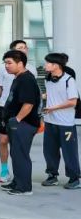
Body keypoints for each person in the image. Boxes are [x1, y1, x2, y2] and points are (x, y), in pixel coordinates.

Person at [0, 49, 41, 196]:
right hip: (17, 123)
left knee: (21, 155)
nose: (6, 66)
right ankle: (17, 182)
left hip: (24, 124)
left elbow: (28, 104)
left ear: (21, 63)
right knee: (16, 154)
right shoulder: (19, 77)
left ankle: (24, 187)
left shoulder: (26, 80)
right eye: (5, 63)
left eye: (9, 63)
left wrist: (17, 119)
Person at [0, 39, 32, 183]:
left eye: (25, 47)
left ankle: (20, 177)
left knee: (18, 143)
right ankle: (4, 170)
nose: (24, 49)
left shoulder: (30, 70)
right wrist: (3, 103)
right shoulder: (4, 67)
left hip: (21, 110)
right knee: (3, 140)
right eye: (20, 47)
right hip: (5, 108)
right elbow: (0, 87)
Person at [41, 53, 80, 190]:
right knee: (49, 150)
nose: (45, 65)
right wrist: (41, 96)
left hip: (65, 123)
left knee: (69, 152)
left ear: (56, 65)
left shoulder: (69, 80)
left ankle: (74, 178)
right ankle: (52, 175)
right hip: (50, 121)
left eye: (47, 63)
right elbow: (52, 94)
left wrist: (53, 108)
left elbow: (73, 102)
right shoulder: (48, 79)